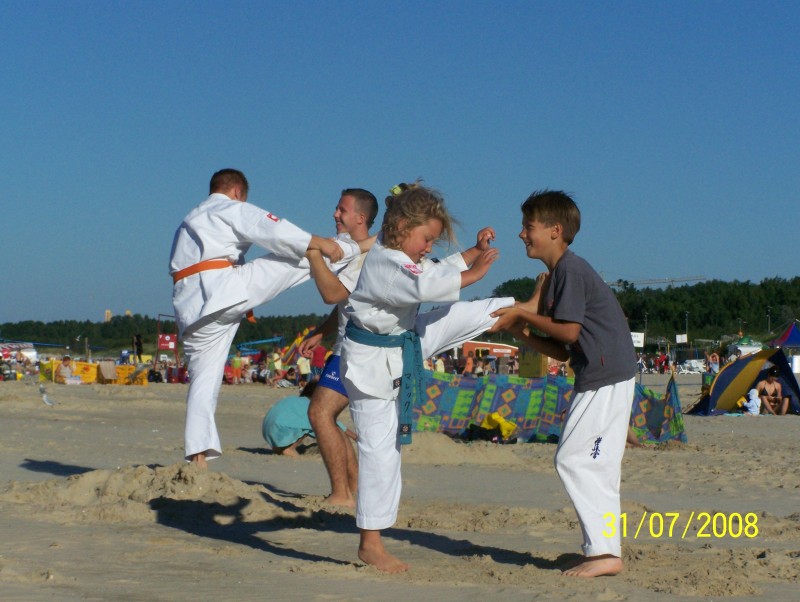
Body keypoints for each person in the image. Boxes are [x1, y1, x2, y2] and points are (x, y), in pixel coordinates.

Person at [341, 181, 517, 572]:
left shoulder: (401, 253)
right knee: (380, 452)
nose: (428, 247)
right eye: (426, 239)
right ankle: (370, 543)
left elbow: (433, 269)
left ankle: (516, 308)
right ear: (402, 227)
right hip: (371, 363)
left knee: (458, 316)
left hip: (401, 343)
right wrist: (474, 274)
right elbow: (426, 283)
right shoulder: (386, 262)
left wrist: (474, 253)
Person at [169, 168, 363, 468]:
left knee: (202, 384)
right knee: (302, 256)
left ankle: (198, 457)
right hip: (222, 289)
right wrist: (320, 242)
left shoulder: (189, 221)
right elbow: (271, 229)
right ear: (237, 192)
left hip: (190, 308)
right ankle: (355, 247)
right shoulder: (228, 208)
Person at [490, 189, 637, 578]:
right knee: (594, 465)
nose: (522, 234)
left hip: (606, 376)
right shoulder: (561, 274)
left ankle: (605, 553)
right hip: (602, 374)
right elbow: (563, 349)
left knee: (574, 461)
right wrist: (521, 331)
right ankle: (602, 551)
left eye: (528, 227)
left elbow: (569, 331)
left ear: (555, 230)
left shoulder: (570, 270)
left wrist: (522, 314)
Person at [299, 188, 379, 507]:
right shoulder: (355, 252)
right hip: (346, 346)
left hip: (358, 351)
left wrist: (313, 255)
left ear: (360, 218)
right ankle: (353, 488)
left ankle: (342, 494)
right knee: (326, 415)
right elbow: (346, 302)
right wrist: (322, 331)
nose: (335, 214)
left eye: (341, 210)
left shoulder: (365, 257)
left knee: (320, 413)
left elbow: (333, 293)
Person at [262, 381, 356, 456]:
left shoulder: (292, 399)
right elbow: (333, 423)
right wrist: (354, 436)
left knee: (301, 422)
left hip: (267, 430)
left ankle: (279, 448)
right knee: (308, 426)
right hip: (281, 430)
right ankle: (289, 449)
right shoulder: (312, 406)